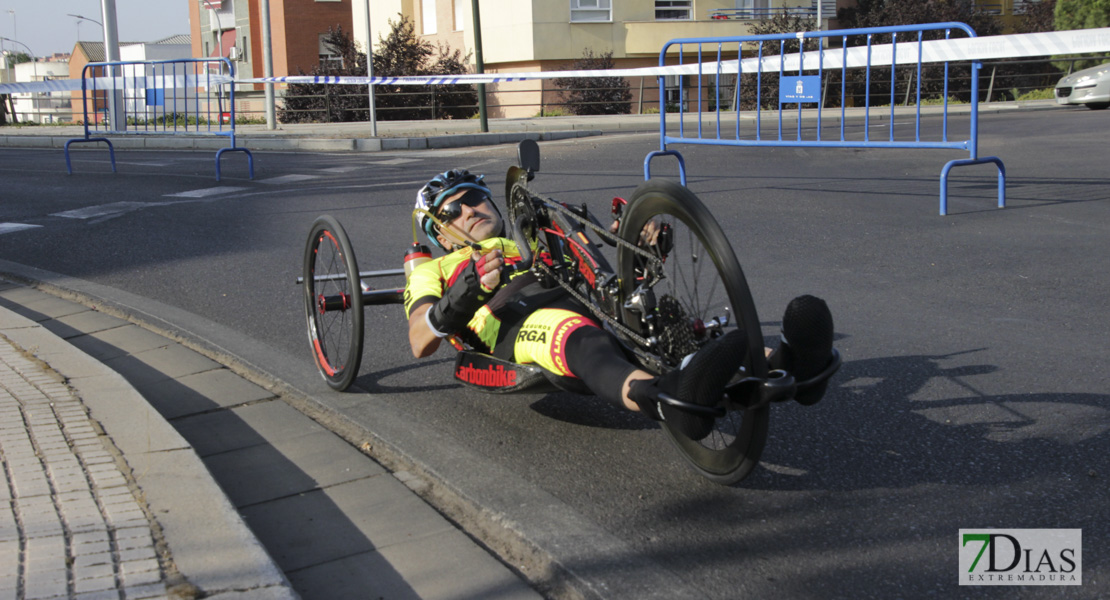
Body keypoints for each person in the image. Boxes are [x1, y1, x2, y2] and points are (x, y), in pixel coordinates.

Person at [404, 169, 834, 439]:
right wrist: (464, 292)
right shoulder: (438, 268)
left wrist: (636, 246)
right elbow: (420, 338)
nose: (469, 210)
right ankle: (667, 401)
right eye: (452, 210)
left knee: (663, 324)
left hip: (583, 298)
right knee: (579, 337)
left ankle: (794, 364)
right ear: (440, 235)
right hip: (515, 325)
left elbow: (598, 263)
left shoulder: (534, 230)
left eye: (474, 197)